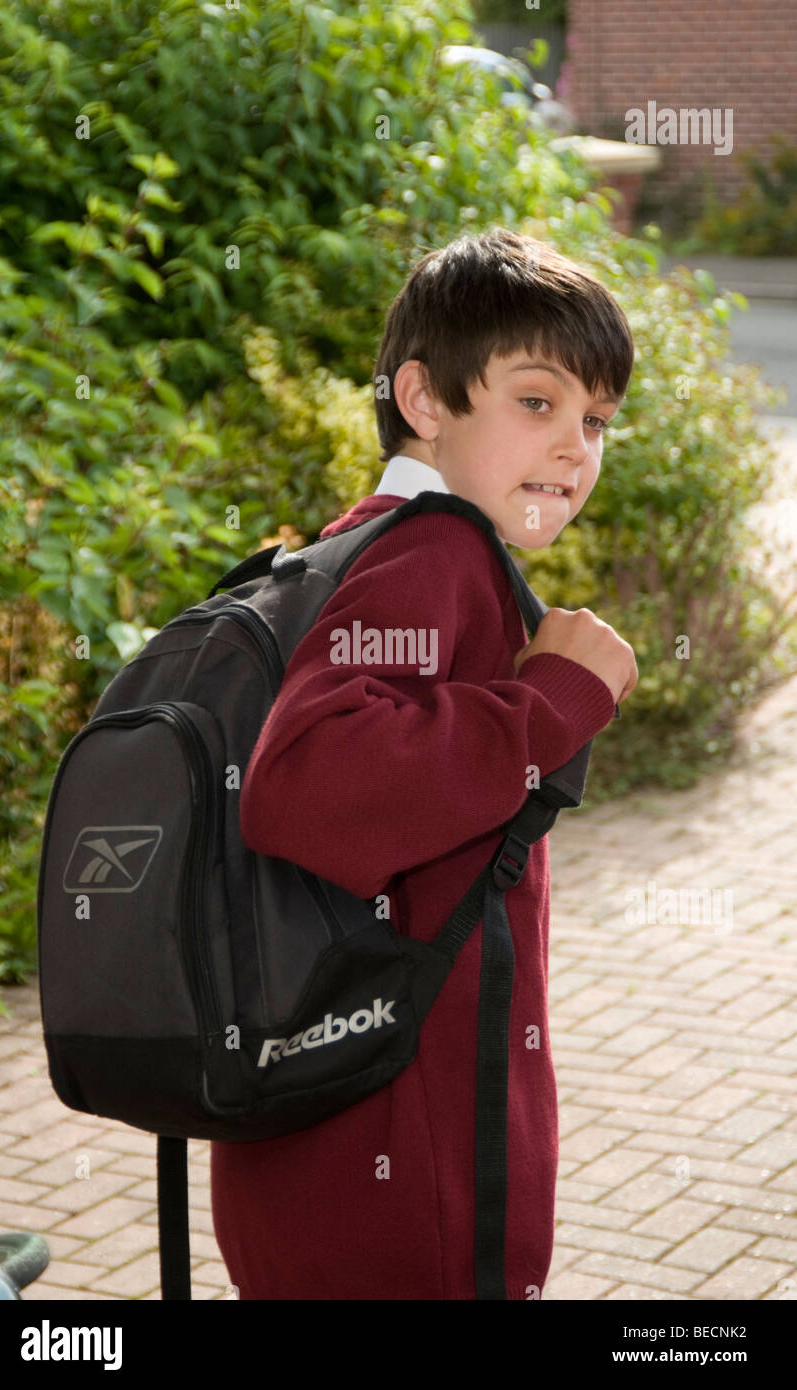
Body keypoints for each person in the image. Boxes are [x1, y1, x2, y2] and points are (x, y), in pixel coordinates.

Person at [211, 226, 639, 1300]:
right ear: (423, 396)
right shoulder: (437, 550)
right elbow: (302, 783)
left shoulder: (353, 541)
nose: (575, 447)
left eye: (595, 420)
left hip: (314, 1114)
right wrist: (553, 700)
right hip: (406, 1158)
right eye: (537, 402)